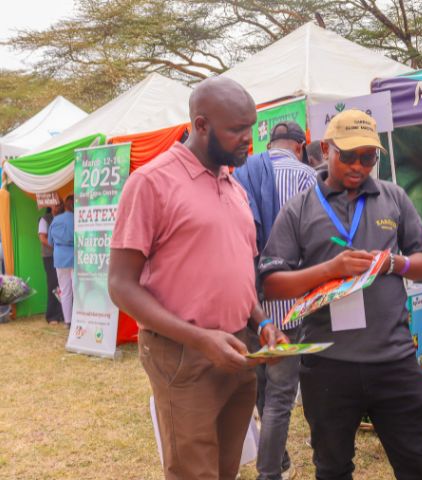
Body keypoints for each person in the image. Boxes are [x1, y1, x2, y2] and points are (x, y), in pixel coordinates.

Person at [107, 77, 287, 480]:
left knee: (226, 469)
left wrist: (264, 323)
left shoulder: (233, 184)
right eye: (237, 129)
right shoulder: (151, 183)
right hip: (183, 354)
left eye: (252, 126)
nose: (249, 139)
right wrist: (200, 340)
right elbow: (120, 285)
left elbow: (240, 272)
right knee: (193, 472)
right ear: (201, 125)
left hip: (239, 348)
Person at [259, 109, 422, 480]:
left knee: (418, 466)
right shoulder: (300, 209)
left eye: (369, 157)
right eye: (348, 156)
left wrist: (392, 264)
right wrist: (330, 270)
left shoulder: (394, 198)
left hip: (393, 360)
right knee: (332, 468)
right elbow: (272, 282)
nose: (359, 166)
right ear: (326, 149)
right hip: (329, 364)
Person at [235, 121, 316, 480]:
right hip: (290, 304)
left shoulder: (242, 172)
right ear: (300, 146)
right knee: (282, 396)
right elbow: (315, 239)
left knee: (262, 389)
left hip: (248, 302)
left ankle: (279, 461)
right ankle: (270, 473)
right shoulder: (305, 176)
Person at [48, 195, 75, 328]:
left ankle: (67, 321)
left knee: (65, 291)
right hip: (75, 257)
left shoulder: (56, 220)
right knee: (77, 290)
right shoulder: (77, 219)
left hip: (59, 258)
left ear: (65, 205)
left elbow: (49, 241)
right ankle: (78, 319)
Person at [39, 203, 64, 324]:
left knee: (64, 285)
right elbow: (42, 238)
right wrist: (56, 246)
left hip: (62, 255)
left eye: (60, 205)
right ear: (50, 206)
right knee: (53, 284)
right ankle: (52, 315)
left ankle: (64, 314)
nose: (58, 207)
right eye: (56, 205)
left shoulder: (65, 217)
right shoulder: (45, 219)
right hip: (50, 256)